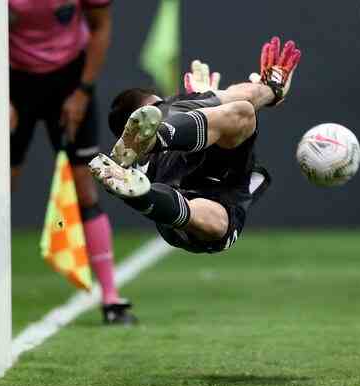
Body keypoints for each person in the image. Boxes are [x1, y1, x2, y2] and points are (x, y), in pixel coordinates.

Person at [0, 0, 136, 326]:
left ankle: (112, 299)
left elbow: (100, 26)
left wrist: (82, 92)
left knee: (85, 189)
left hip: (70, 78)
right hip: (12, 79)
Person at [89, 37, 300, 253]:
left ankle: (146, 196)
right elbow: (244, 95)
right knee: (243, 112)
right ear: (155, 100)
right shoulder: (175, 104)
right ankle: (157, 141)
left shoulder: (158, 128)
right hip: (214, 183)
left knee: (216, 222)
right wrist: (272, 89)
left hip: (174, 209)